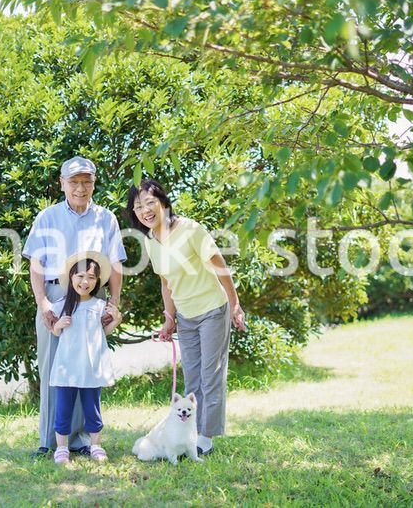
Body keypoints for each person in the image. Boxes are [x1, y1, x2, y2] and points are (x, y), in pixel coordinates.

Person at [126, 179, 246, 456]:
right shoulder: (151, 241)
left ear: (164, 203)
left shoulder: (191, 229)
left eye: (149, 203)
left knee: (210, 376)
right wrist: (169, 318)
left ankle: (206, 436)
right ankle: (191, 432)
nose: (145, 210)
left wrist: (235, 304)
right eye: (138, 207)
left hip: (213, 310)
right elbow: (166, 282)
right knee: (192, 379)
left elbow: (220, 266)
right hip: (186, 317)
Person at [22, 156, 126, 459]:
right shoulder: (47, 217)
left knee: (86, 366)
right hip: (55, 294)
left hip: (91, 298)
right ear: (62, 183)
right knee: (54, 369)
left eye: (87, 181)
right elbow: (36, 264)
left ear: (93, 183)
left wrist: (114, 303)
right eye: (74, 182)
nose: (81, 188)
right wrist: (42, 303)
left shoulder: (106, 218)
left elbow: (116, 265)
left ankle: (82, 441)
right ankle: (50, 441)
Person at [49, 252, 122, 464]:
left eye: (91, 277)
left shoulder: (99, 306)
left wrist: (116, 321)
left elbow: (103, 332)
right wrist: (57, 326)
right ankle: (61, 448)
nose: (85, 282)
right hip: (67, 366)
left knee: (92, 407)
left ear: (97, 281)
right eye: (80, 276)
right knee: (63, 407)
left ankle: (95, 445)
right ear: (71, 278)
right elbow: (55, 332)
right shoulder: (61, 304)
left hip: (91, 366)